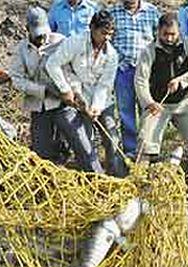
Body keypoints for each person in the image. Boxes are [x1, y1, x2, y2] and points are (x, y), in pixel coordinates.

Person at [9, 6, 104, 173]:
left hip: (63, 104)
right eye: (37, 35)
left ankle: (99, 179)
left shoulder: (60, 41)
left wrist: (74, 92)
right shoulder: (21, 50)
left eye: (44, 33)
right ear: (27, 30)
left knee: (80, 141)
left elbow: (72, 71)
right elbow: (16, 79)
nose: (42, 38)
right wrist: (41, 90)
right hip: (39, 107)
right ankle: (50, 187)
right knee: (41, 152)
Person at [135, 13, 188, 200]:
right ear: (158, 31)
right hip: (158, 104)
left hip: (184, 102)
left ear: (179, 32)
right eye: (165, 34)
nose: (169, 38)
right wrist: (149, 102)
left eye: (173, 34)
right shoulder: (148, 51)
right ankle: (139, 187)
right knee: (146, 142)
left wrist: (181, 81)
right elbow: (141, 81)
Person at [46, 10, 126, 177]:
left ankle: (118, 177)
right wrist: (65, 89)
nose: (107, 38)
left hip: (103, 100)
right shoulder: (75, 42)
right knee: (86, 141)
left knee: (112, 138)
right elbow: (52, 64)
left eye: (110, 34)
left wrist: (96, 107)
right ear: (91, 28)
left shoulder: (112, 55)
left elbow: (104, 85)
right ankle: (94, 179)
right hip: (79, 96)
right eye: (103, 33)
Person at [108, 0, 160, 159]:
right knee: (126, 112)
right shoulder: (113, 12)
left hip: (146, 70)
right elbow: (108, 41)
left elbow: (158, 38)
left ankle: (148, 149)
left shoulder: (151, 11)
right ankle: (131, 151)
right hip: (123, 69)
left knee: (148, 108)